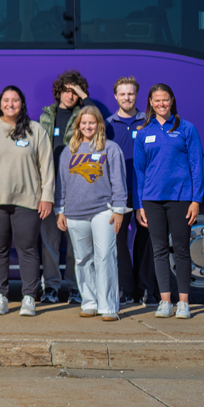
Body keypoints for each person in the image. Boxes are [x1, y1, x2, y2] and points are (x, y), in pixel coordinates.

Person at [0, 86, 55, 318]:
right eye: (6, 100)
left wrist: (47, 197)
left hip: (28, 202)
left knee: (28, 249)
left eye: (15, 100)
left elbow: (46, 166)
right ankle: (0, 296)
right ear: (0, 103)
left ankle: (29, 297)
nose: (10, 104)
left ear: (22, 103)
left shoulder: (35, 130)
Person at [134, 84, 203, 320]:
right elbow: (139, 171)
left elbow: (196, 166)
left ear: (171, 101)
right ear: (150, 103)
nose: (161, 104)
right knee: (159, 250)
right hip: (152, 200)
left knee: (182, 250)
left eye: (165, 100)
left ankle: (183, 302)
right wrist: (139, 204)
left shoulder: (186, 128)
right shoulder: (143, 132)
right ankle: (165, 301)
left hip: (181, 198)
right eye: (157, 101)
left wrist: (196, 200)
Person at [56, 106, 129, 321]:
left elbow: (118, 181)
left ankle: (108, 306)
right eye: (84, 123)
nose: (87, 126)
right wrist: (60, 210)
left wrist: (119, 209)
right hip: (75, 213)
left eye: (92, 122)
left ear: (99, 124)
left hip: (103, 211)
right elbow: (61, 183)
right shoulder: (69, 150)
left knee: (105, 257)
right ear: (78, 125)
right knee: (82, 259)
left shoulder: (111, 148)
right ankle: (89, 302)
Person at [38, 69, 94, 305]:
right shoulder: (45, 116)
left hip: (75, 187)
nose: (69, 96)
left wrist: (84, 97)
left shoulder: (84, 115)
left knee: (75, 243)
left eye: (75, 92)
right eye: (66, 90)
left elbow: (97, 120)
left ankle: (74, 286)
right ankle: (50, 286)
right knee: (49, 241)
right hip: (49, 187)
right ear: (58, 91)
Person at [105, 77, 158, 306]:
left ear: (137, 96)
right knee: (119, 240)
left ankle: (146, 289)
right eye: (122, 94)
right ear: (115, 97)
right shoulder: (107, 125)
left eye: (131, 94)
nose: (127, 98)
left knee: (146, 240)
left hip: (147, 191)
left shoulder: (149, 122)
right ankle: (125, 289)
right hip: (118, 192)